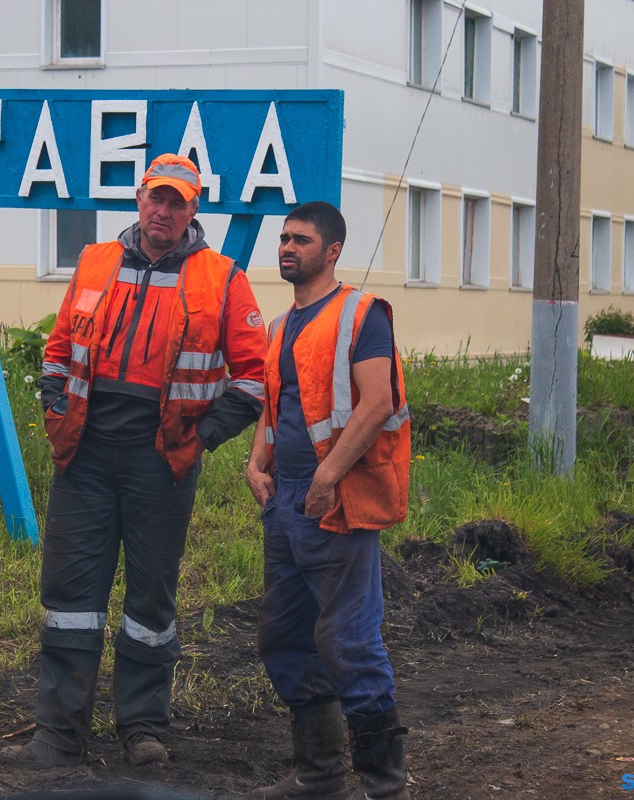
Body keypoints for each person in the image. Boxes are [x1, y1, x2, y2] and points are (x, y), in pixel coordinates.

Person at [0, 153, 268, 769]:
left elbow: (254, 378)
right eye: (156, 197)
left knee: (150, 599)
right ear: (140, 198)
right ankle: (61, 730)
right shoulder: (95, 261)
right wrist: (53, 408)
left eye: (177, 202)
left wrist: (202, 439)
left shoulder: (223, 278)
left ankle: (142, 726)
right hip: (85, 455)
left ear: (193, 210)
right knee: (71, 594)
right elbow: (60, 346)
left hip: (162, 462)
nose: (163, 211)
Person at [245, 201, 412, 800]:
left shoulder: (360, 315)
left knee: (348, 641)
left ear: (333, 250)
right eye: (284, 238)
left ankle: (384, 787)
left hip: (335, 502)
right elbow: (277, 405)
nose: (287, 247)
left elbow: (377, 403)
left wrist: (327, 477)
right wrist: (255, 461)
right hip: (285, 502)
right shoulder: (281, 325)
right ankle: (319, 777)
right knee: (284, 640)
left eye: (301, 239)